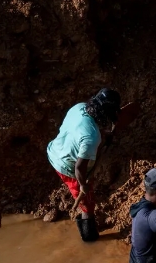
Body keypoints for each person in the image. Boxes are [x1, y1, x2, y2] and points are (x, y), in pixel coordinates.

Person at [47, 88, 121, 241]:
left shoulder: (79, 107)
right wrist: (82, 185)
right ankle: (89, 237)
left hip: (55, 149)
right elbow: (79, 168)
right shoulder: (91, 137)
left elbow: (79, 131)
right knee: (87, 202)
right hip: (67, 167)